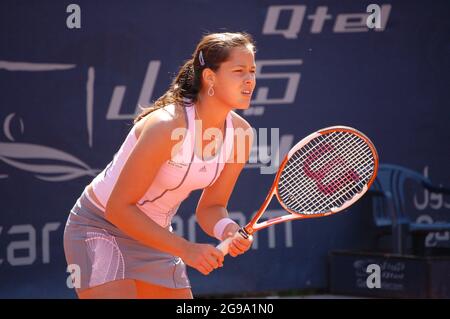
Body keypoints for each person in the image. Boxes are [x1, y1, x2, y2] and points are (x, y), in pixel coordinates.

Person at [63, 32, 257, 299]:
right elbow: (118, 209)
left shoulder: (241, 135)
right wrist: (187, 250)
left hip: (154, 238)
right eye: (238, 71)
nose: (249, 80)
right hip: (99, 227)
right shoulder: (166, 126)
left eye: (252, 71)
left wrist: (228, 229)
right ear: (210, 77)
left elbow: (211, 208)